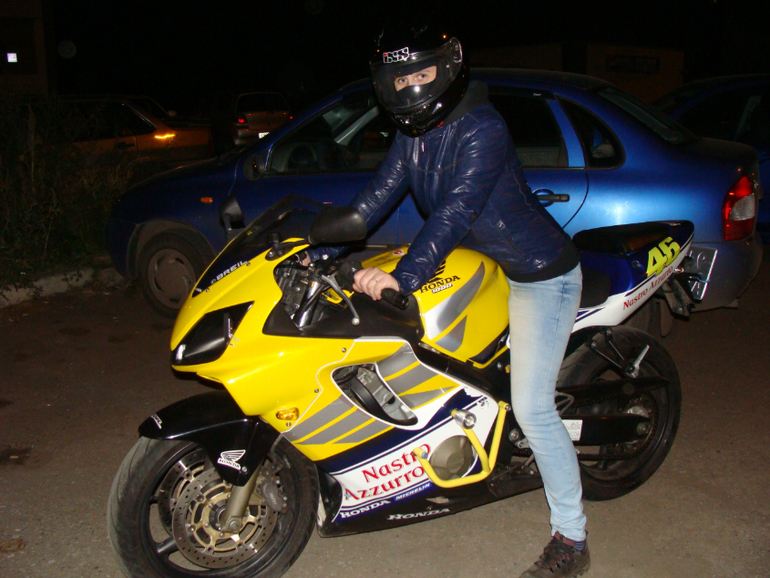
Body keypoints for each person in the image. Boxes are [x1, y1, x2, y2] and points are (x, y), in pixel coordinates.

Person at [309, 21, 588, 578]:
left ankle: (572, 538)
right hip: (483, 266)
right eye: (399, 78)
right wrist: (312, 246)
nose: (409, 86)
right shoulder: (412, 135)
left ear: (448, 69)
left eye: (421, 73)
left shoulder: (483, 127)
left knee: (533, 407)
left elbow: (456, 212)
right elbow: (372, 202)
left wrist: (402, 278)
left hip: (538, 274)